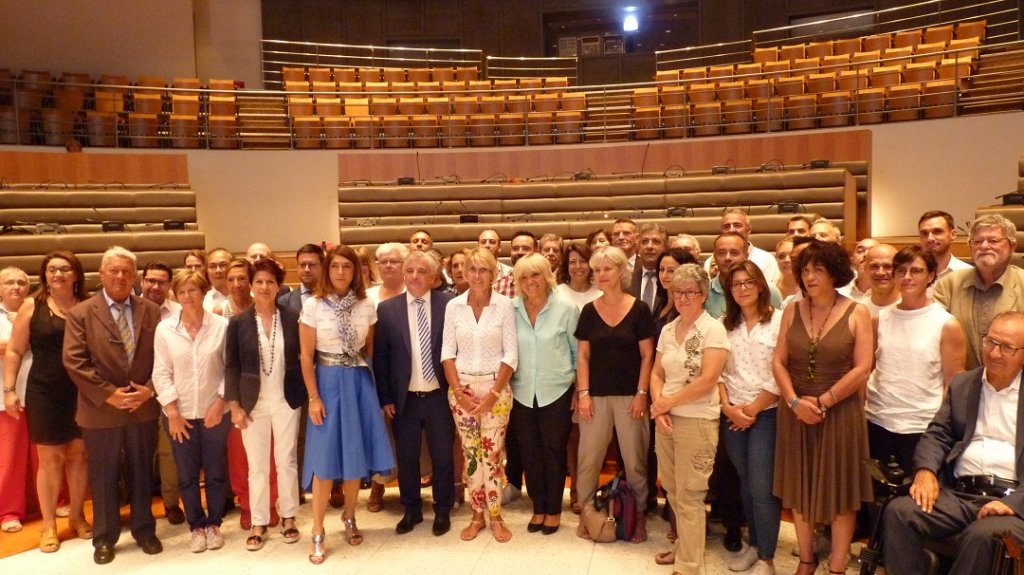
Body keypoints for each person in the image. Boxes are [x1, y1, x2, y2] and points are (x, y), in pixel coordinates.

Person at [881, 311, 1024, 575]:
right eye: (990, 341)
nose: (994, 353)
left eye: (1007, 347)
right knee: (899, 511)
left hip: (1012, 498)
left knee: (982, 536)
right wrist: (925, 471)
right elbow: (938, 433)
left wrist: (1013, 504)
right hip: (960, 493)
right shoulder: (964, 384)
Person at [772, 240, 874, 575]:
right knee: (800, 489)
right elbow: (778, 362)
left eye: (818, 269)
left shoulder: (858, 311)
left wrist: (826, 400)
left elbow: (863, 368)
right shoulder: (790, 310)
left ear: (835, 273)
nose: (810, 276)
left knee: (841, 492)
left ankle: (838, 566)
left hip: (840, 412)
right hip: (796, 410)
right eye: (805, 270)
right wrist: (793, 401)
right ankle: (806, 559)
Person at [63, 246, 163, 564]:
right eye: (114, 271)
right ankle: (104, 538)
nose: (120, 276)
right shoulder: (81, 313)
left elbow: (164, 358)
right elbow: (74, 361)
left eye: (126, 271)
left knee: (142, 471)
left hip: (143, 406)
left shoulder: (151, 310)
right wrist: (109, 394)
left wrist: (148, 390)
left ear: (135, 277)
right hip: (100, 410)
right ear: (102, 274)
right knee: (104, 474)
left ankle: (145, 530)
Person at [300, 245, 393, 563]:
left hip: (358, 383)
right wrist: (313, 396)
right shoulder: (313, 305)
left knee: (355, 454)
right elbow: (305, 356)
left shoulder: (367, 305)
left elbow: (369, 350)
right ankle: (317, 529)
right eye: (335, 266)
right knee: (324, 462)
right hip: (326, 383)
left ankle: (350, 516)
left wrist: (371, 393)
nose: (341, 272)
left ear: (357, 272)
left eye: (347, 267)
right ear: (328, 270)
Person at [7, 255, 92, 553]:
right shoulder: (32, 305)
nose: (58, 274)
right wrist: (9, 390)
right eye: (52, 269)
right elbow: (15, 350)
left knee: (79, 456)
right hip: (44, 391)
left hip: (82, 391)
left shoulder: (88, 304)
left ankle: (77, 516)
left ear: (76, 274)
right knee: (50, 459)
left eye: (65, 269)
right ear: (44, 275)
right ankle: (48, 525)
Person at [649, 263, 729, 574]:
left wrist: (666, 402)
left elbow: (708, 380)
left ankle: (691, 565)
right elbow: (657, 373)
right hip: (666, 418)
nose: (683, 298)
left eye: (690, 292)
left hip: (697, 421)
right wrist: (659, 405)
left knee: (691, 495)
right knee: (672, 490)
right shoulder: (669, 329)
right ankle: (684, 546)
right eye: (678, 292)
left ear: (704, 295)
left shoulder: (714, 329)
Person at [575, 245, 655, 543]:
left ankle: (639, 517)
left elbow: (648, 356)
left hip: (630, 396)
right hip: (594, 396)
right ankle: (587, 516)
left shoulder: (639, 309)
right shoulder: (588, 311)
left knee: (634, 461)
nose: (600, 274)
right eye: (596, 270)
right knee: (588, 459)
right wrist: (583, 393)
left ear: (621, 272)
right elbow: (582, 355)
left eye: (606, 269)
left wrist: (642, 393)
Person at [224, 258, 305, 552]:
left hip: (287, 399)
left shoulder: (293, 316)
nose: (264, 287)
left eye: (270, 281)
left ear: (279, 285)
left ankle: (289, 516)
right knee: (257, 466)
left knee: (287, 461)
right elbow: (230, 366)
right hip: (252, 402)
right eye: (258, 281)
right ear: (250, 285)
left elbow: (303, 358)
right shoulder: (238, 322)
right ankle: (259, 520)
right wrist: (234, 404)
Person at [374, 250, 455, 538]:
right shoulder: (387, 309)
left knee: (442, 456)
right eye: (410, 271)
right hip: (404, 399)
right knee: (407, 457)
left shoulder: (450, 305)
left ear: (434, 278)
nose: (415, 276)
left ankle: (443, 508)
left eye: (422, 271)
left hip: (439, 396)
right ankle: (411, 509)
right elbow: (381, 358)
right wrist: (385, 398)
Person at [865, 246, 966, 473]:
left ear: (931, 276)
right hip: (877, 420)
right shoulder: (879, 319)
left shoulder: (946, 324)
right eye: (901, 271)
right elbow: (867, 370)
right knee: (875, 501)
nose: (907, 277)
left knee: (915, 502)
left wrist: (940, 429)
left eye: (916, 271)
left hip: (921, 425)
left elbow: (953, 385)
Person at [441, 247, 518, 543]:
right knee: (471, 455)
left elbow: (511, 354)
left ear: (494, 274)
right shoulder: (454, 306)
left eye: (483, 270)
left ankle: (496, 515)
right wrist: (459, 393)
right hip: (461, 391)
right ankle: (476, 515)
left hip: (495, 391)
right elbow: (447, 353)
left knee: (493, 456)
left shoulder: (504, 306)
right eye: (472, 269)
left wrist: (494, 392)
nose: (476, 275)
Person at [152, 269, 231, 553]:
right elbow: (160, 372)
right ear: (176, 295)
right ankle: (196, 526)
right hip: (179, 414)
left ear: (203, 292)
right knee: (186, 474)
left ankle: (214, 524)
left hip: (215, 411)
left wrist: (221, 401)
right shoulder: (165, 329)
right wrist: (172, 411)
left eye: (193, 291)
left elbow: (228, 368)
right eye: (182, 291)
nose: (187, 296)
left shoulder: (221, 326)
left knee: (215, 472)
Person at [719, 261, 783, 575]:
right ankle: (754, 545)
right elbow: (716, 372)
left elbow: (782, 373)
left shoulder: (780, 322)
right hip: (732, 414)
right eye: (736, 284)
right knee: (745, 484)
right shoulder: (724, 325)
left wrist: (753, 409)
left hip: (766, 414)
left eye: (748, 282)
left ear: (761, 285)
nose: (742, 288)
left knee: (762, 487)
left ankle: (767, 557)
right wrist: (728, 407)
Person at [510, 253, 579, 535]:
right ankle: (538, 506)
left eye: (535, 275)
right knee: (529, 452)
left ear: (547, 276)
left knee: (553, 451)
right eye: (524, 277)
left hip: (557, 390)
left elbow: (578, 352)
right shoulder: (511, 309)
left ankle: (553, 509)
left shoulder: (566, 308)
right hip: (521, 391)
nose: (530, 282)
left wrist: (578, 389)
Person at [934, 214, 1024, 370]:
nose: (984, 246)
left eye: (993, 241)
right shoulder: (949, 285)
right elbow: (934, 335)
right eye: (978, 241)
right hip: (964, 383)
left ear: (1012, 246)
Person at [141, 261, 184, 526]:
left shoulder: (179, 311)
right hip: (136, 392)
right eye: (151, 281)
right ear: (142, 281)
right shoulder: (130, 309)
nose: (155, 286)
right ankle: (139, 505)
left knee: (169, 452)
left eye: (162, 282)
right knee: (139, 452)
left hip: (171, 390)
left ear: (169, 285)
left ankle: (171, 503)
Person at [0, 267, 33, 535]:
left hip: (39, 394)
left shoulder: (38, 313)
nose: (16, 287)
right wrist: (20, 339)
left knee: (46, 454)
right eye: (9, 282)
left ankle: (57, 501)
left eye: (22, 283)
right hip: (6, 397)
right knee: (9, 458)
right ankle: (9, 511)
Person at [705, 232, 783, 318]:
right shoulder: (704, 293)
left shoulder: (768, 290)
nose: (727, 258)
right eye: (722, 253)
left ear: (746, 255)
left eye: (734, 253)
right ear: (714, 257)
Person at [707, 208, 780, 285]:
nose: (731, 230)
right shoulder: (711, 262)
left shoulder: (766, 260)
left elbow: (768, 293)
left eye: (737, 225)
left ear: (748, 230)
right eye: (727, 226)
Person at [918, 210, 972, 280]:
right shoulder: (910, 276)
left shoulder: (968, 275)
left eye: (937, 231)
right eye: (924, 233)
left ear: (953, 234)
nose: (930, 238)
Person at [630, 223, 667, 312]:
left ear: (665, 247)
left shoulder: (672, 279)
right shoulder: (628, 280)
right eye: (645, 241)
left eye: (656, 241)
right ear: (638, 248)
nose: (649, 246)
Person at [279, 243, 324, 314]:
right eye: (302, 265)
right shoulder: (284, 302)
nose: (307, 269)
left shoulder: (334, 297)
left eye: (312, 264)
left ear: (323, 267)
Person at [557, 241, 601, 310]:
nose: (578, 266)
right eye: (572, 262)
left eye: (583, 261)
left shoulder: (600, 294)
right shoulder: (556, 293)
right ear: (567, 266)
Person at [494, 230, 537, 299]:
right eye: (515, 248)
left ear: (535, 252)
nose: (520, 252)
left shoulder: (544, 284)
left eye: (526, 248)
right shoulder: (498, 285)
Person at [862, 244, 901, 317]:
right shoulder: (859, 310)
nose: (880, 272)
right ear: (865, 269)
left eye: (888, 267)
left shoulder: (911, 308)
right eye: (874, 266)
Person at [202, 248, 232, 312]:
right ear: (206, 270)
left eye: (223, 265)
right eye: (212, 266)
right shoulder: (203, 301)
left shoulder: (251, 295)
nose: (218, 270)